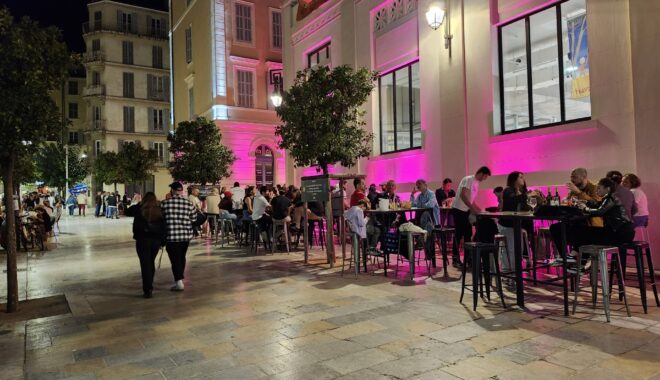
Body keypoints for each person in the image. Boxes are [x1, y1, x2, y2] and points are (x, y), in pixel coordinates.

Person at [551, 178, 635, 268]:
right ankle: (576, 260)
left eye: (599, 188)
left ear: (608, 189)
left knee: (583, 232)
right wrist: (586, 202)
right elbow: (598, 204)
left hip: (619, 234)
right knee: (585, 232)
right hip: (623, 233)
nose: (597, 190)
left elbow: (600, 211)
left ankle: (574, 259)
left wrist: (585, 208)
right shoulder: (611, 197)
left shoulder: (611, 197)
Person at [497, 172, 538, 285]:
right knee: (510, 249)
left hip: (517, 225)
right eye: (520, 177)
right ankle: (507, 274)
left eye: (523, 176)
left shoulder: (523, 192)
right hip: (507, 224)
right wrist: (527, 196)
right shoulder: (508, 191)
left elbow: (528, 207)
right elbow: (513, 200)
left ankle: (515, 273)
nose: (523, 178)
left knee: (517, 249)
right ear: (514, 179)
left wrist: (533, 200)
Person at [125, 192, 167, 298]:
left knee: (145, 264)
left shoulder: (139, 208)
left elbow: (127, 211)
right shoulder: (159, 209)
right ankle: (149, 286)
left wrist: (139, 204)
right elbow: (163, 226)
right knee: (150, 262)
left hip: (142, 240)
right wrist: (163, 241)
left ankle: (147, 289)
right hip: (155, 241)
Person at [451, 166, 491, 267]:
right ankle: (455, 259)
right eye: (485, 176)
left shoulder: (476, 183)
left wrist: (480, 210)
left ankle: (468, 259)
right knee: (459, 234)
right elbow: (463, 195)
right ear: (481, 173)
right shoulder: (468, 179)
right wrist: (473, 209)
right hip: (458, 210)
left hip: (466, 210)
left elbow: (471, 200)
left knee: (468, 235)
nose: (485, 179)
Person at [161, 182, 196, 291]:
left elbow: (160, 219)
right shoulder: (189, 204)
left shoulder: (164, 204)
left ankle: (179, 282)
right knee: (181, 257)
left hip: (171, 236)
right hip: (185, 236)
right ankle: (179, 279)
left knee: (174, 259)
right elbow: (194, 219)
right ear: (181, 191)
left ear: (172, 191)